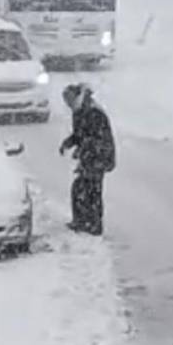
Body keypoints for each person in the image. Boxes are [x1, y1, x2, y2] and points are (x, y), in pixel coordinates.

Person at [59, 83, 116, 234]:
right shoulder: (79, 111)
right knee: (81, 189)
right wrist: (68, 143)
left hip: (99, 157)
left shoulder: (93, 112)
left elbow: (98, 138)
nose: (67, 105)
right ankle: (83, 221)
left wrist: (83, 149)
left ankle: (94, 224)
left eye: (69, 101)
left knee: (92, 191)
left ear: (76, 97)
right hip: (89, 156)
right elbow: (79, 135)